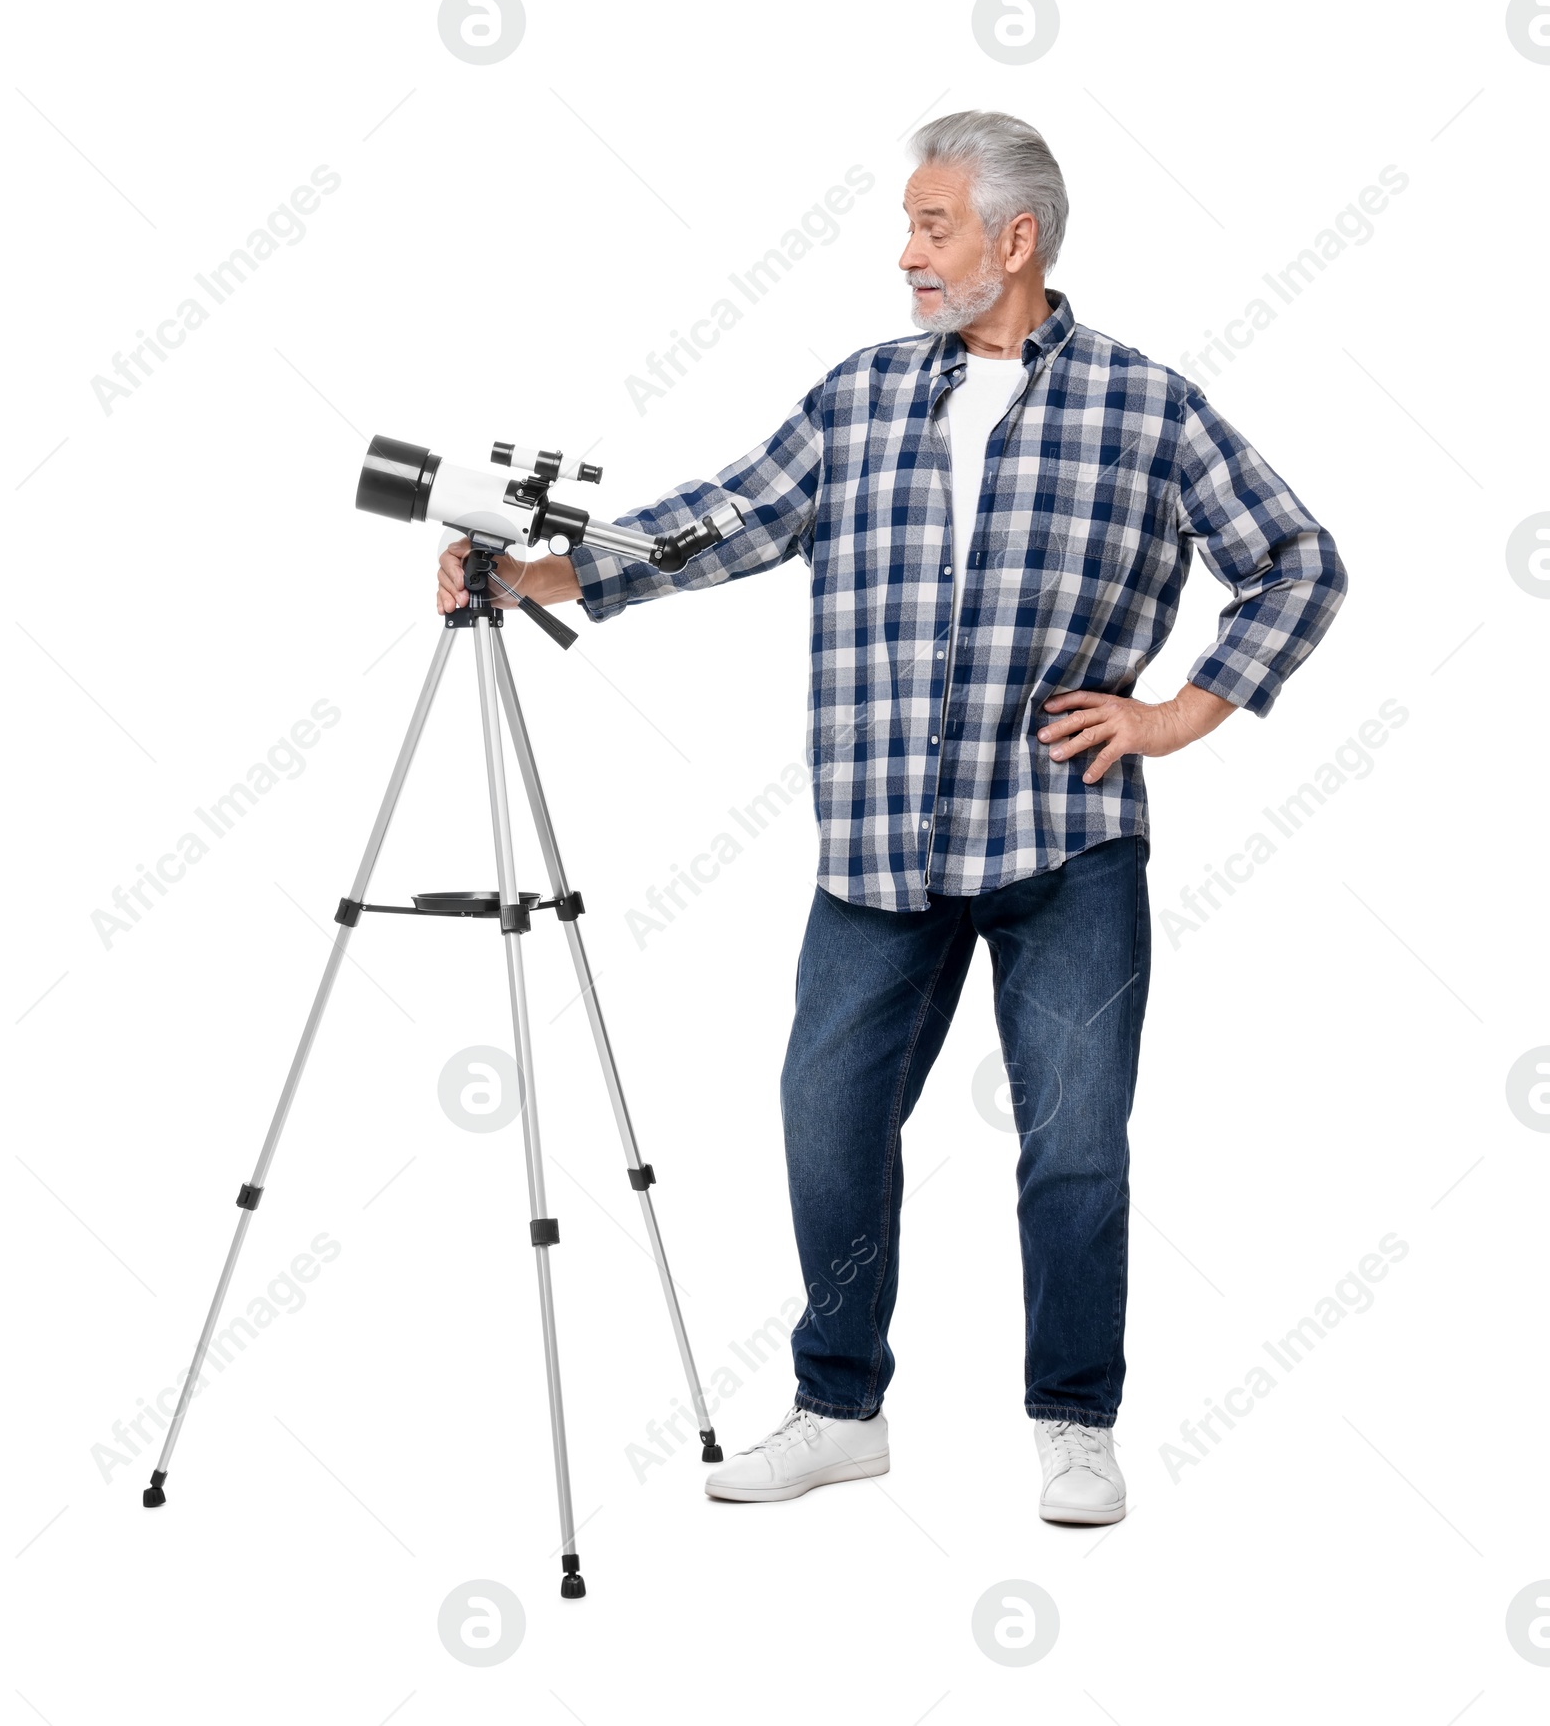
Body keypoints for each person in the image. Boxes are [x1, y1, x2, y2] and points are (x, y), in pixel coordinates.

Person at [437, 110, 1347, 1527]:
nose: (906, 254)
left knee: (1076, 1141)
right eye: (913, 226)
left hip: (1064, 839)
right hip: (877, 845)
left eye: (931, 226)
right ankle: (838, 1408)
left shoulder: (1144, 404)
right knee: (827, 1115)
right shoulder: (863, 393)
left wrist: (1181, 711)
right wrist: (543, 574)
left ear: (1014, 238)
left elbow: (1296, 560)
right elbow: (722, 517)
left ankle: (1073, 1420)